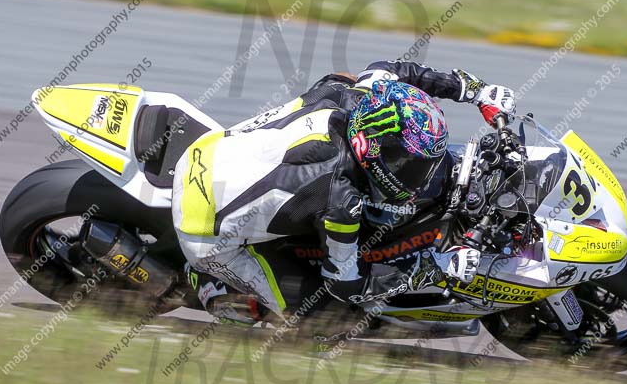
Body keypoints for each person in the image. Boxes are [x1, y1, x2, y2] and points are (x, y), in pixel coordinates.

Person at [171, 61, 516, 322]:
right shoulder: (341, 199)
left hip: (210, 149)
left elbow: (391, 69)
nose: (420, 176)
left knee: (342, 77)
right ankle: (210, 284)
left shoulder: (350, 96)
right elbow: (346, 283)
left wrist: (473, 91)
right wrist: (432, 266)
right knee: (327, 316)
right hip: (203, 230)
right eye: (409, 163)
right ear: (375, 147)